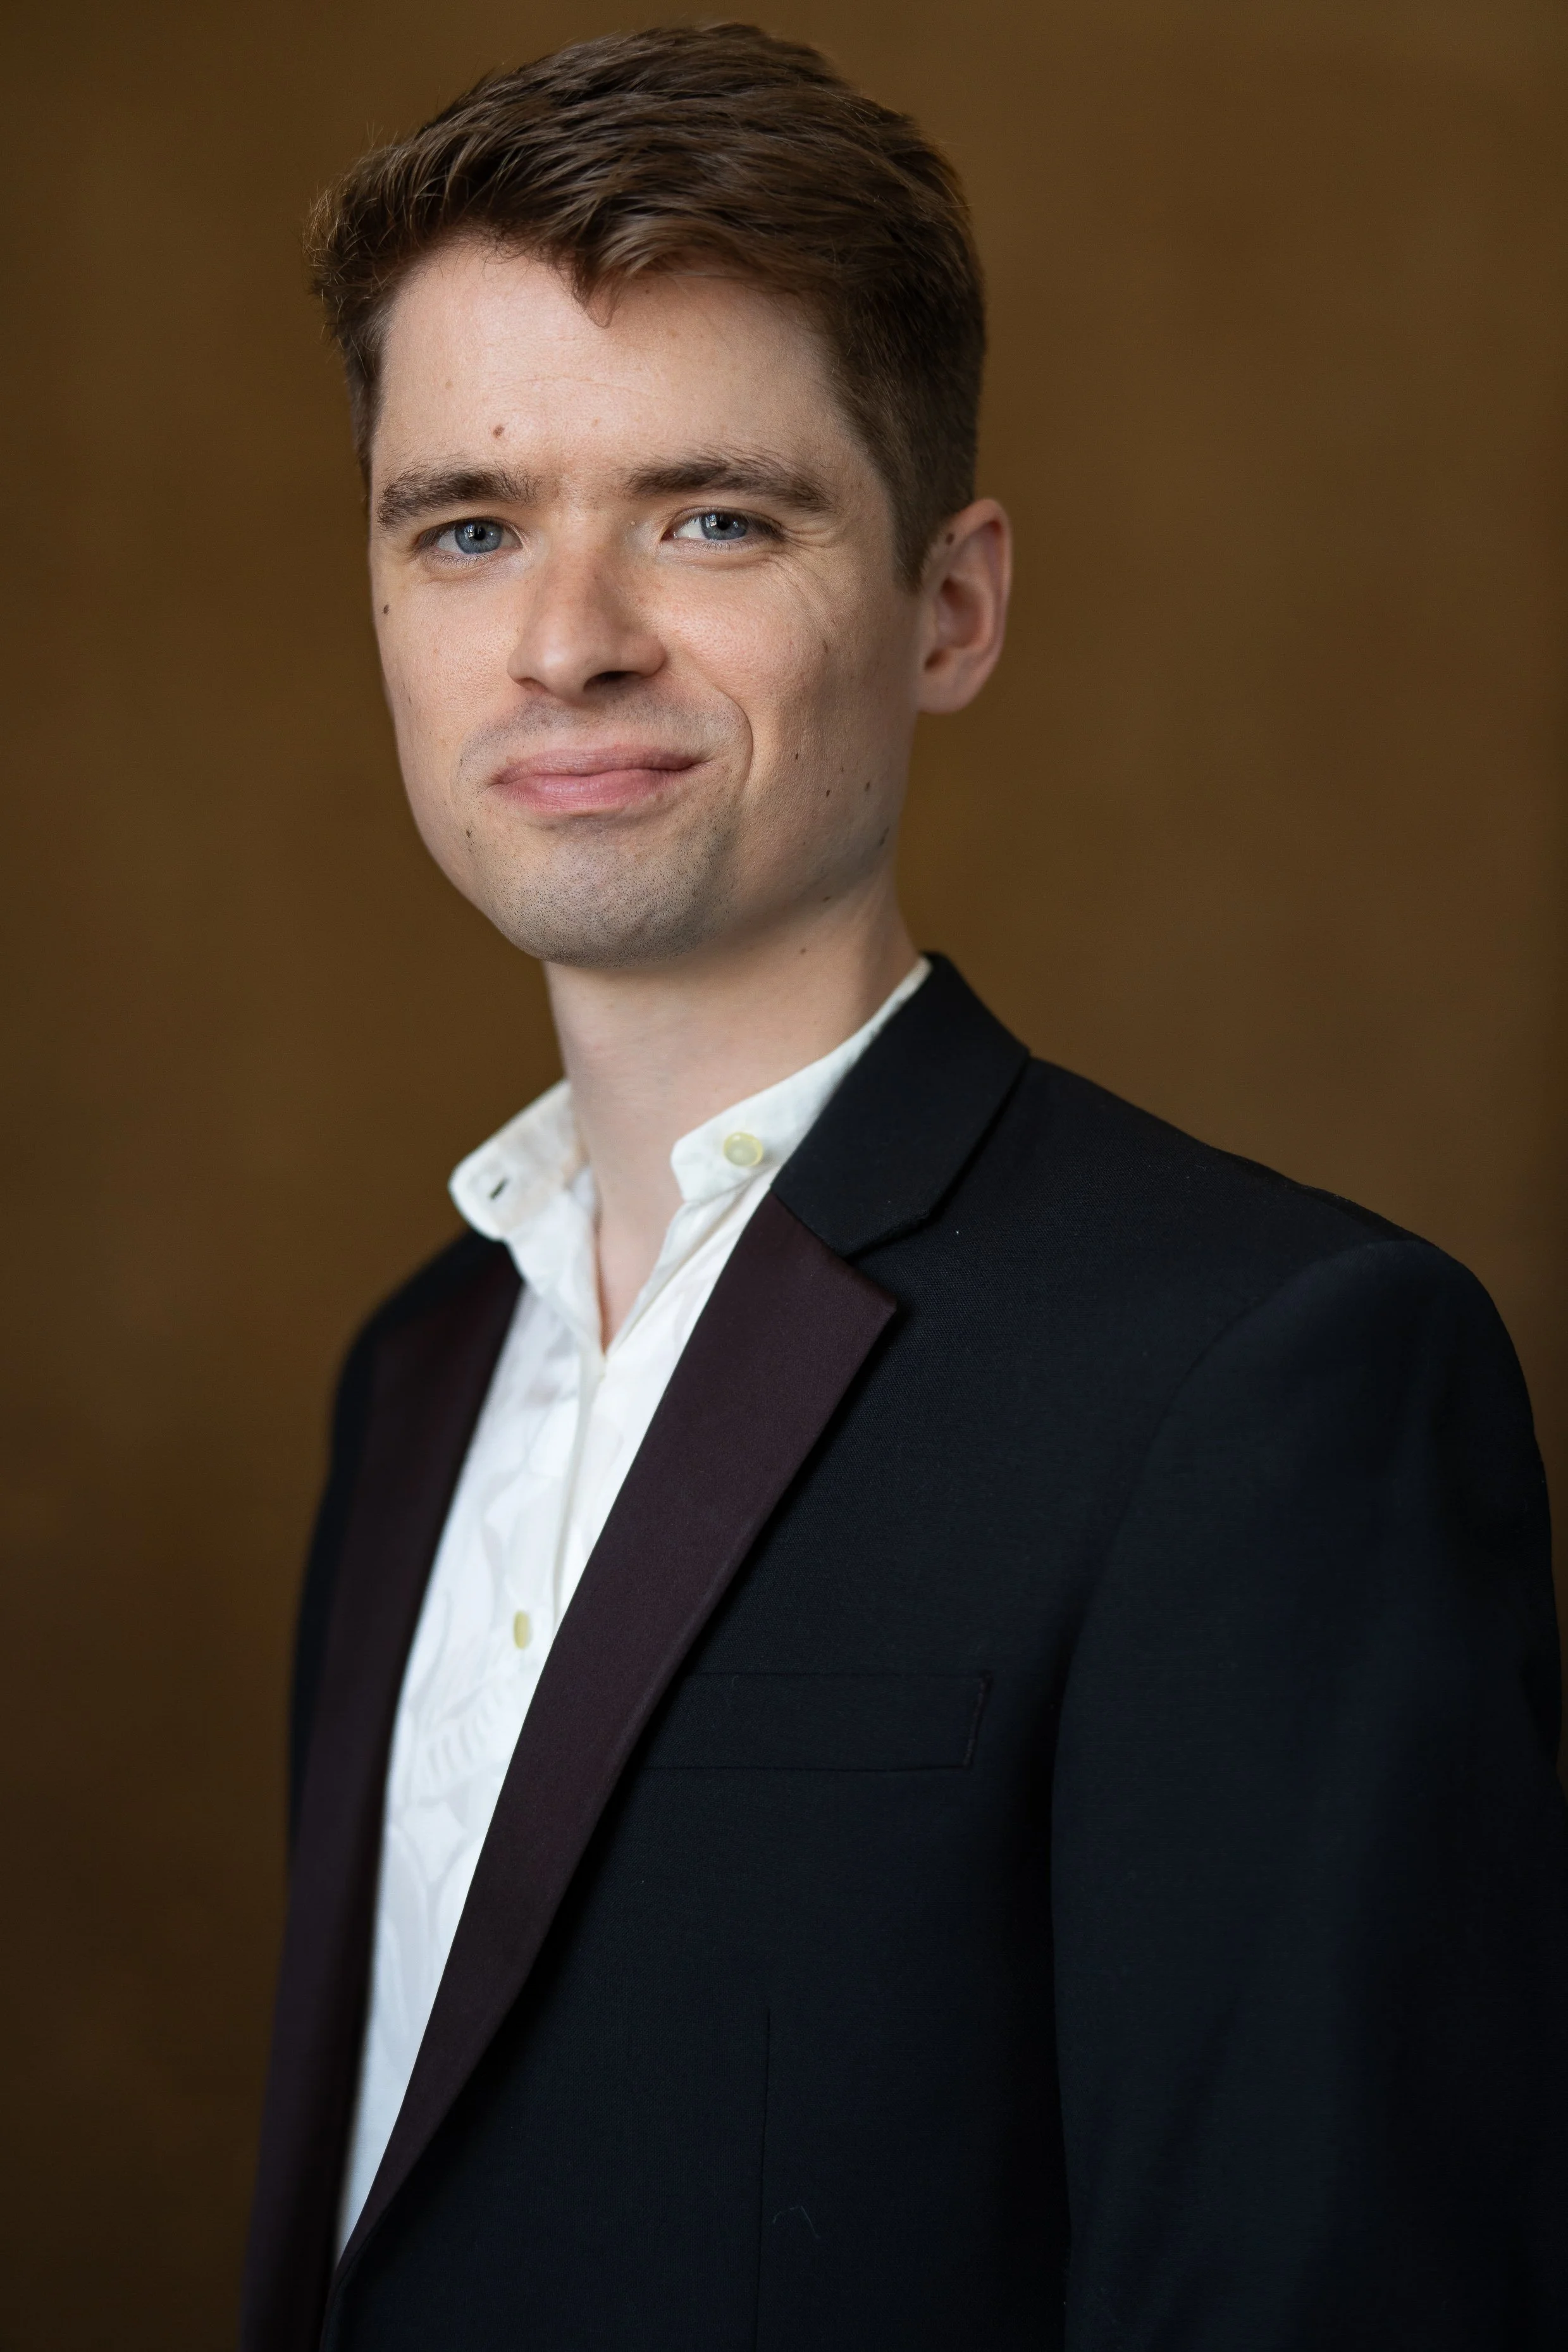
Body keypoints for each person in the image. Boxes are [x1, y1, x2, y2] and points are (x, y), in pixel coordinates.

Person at [242, 25, 1568, 2351]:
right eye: (467, 523)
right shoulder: (410, 1378)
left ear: (950, 608)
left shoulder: (1269, 1385)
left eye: (711, 515)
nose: (565, 639)